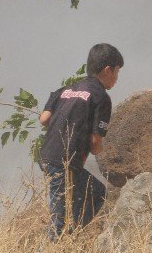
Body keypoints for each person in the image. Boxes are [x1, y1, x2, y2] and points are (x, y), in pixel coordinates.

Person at [39, 43, 123, 240]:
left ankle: (69, 234)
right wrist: (103, 151)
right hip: (65, 161)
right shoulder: (101, 97)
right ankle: (53, 250)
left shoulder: (64, 90)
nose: (117, 79)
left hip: (46, 156)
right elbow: (95, 144)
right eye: (117, 72)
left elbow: (43, 119)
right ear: (107, 70)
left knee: (96, 191)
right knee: (60, 217)